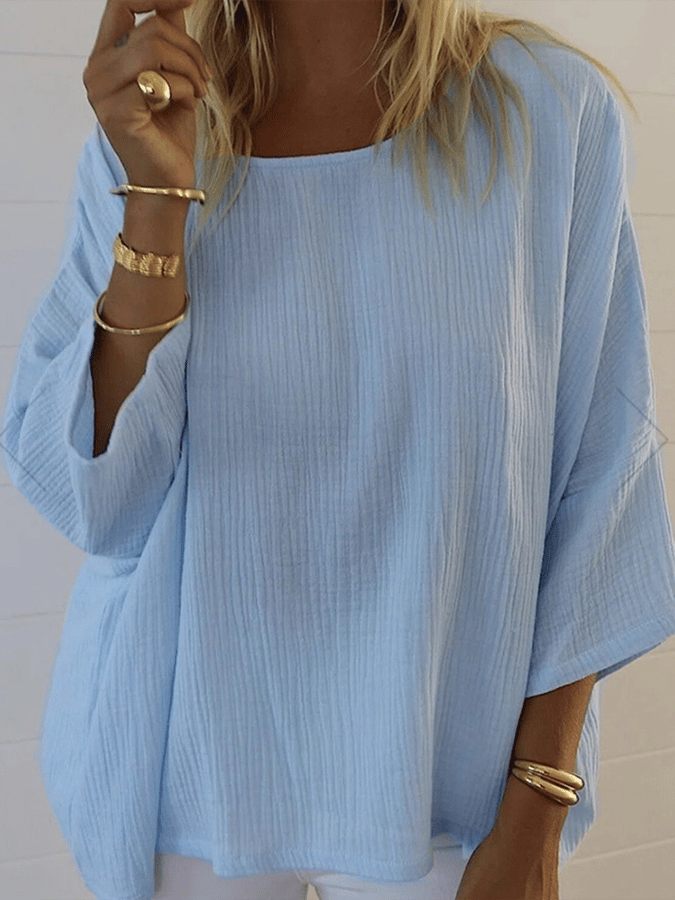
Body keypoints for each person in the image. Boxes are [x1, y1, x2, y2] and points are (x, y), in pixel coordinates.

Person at [3, 1, 675, 898]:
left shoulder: (548, 111)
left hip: (451, 785)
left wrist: (539, 806)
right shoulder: (155, 116)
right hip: (183, 774)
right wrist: (156, 197)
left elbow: (601, 478)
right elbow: (100, 505)